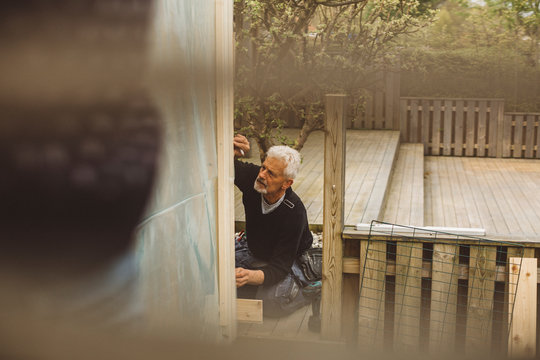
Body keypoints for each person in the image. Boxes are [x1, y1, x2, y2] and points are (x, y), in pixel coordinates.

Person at [232, 134, 313, 317]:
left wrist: (248, 276)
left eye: (271, 174)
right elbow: (226, 167)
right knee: (216, 269)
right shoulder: (254, 179)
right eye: (263, 167)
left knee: (271, 304)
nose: (262, 175)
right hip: (254, 250)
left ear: (287, 183)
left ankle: (307, 289)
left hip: (290, 259)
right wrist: (231, 150)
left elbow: (279, 267)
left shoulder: (294, 212)